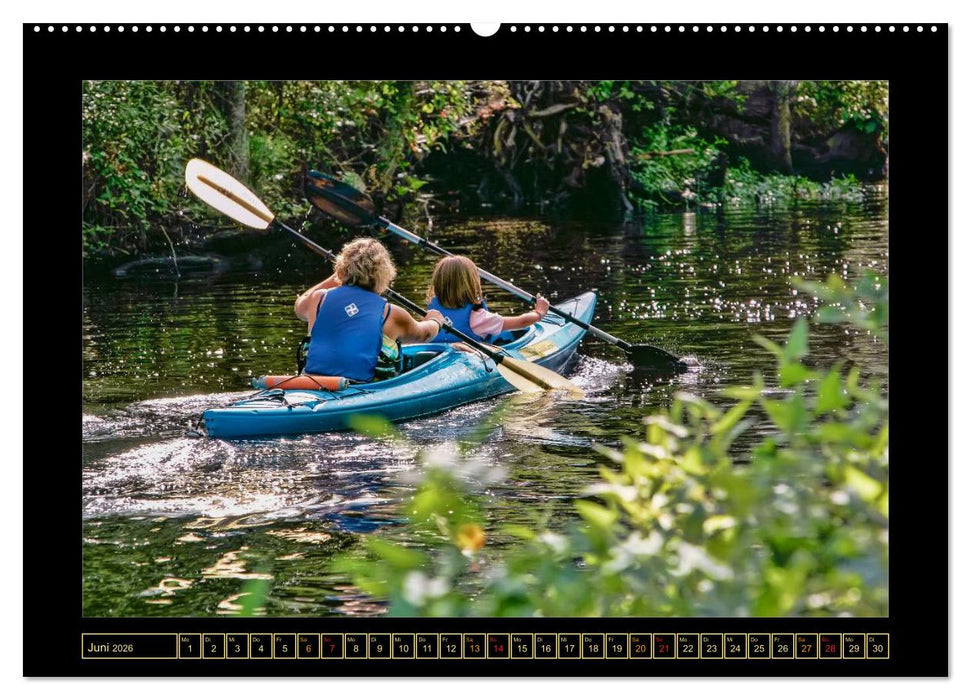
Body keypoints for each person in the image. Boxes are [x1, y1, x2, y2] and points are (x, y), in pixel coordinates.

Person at [294, 237, 445, 382]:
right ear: (385, 274)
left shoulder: (318, 299)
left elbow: (299, 305)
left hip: (313, 384)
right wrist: (435, 321)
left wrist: (338, 275)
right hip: (364, 389)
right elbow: (424, 334)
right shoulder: (391, 313)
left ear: (341, 269)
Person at [425, 255, 550, 343]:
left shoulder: (431, 315)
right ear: (472, 284)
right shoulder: (479, 318)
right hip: (468, 361)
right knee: (504, 336)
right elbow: (521, 322)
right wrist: (539, 313)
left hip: (439, 358)